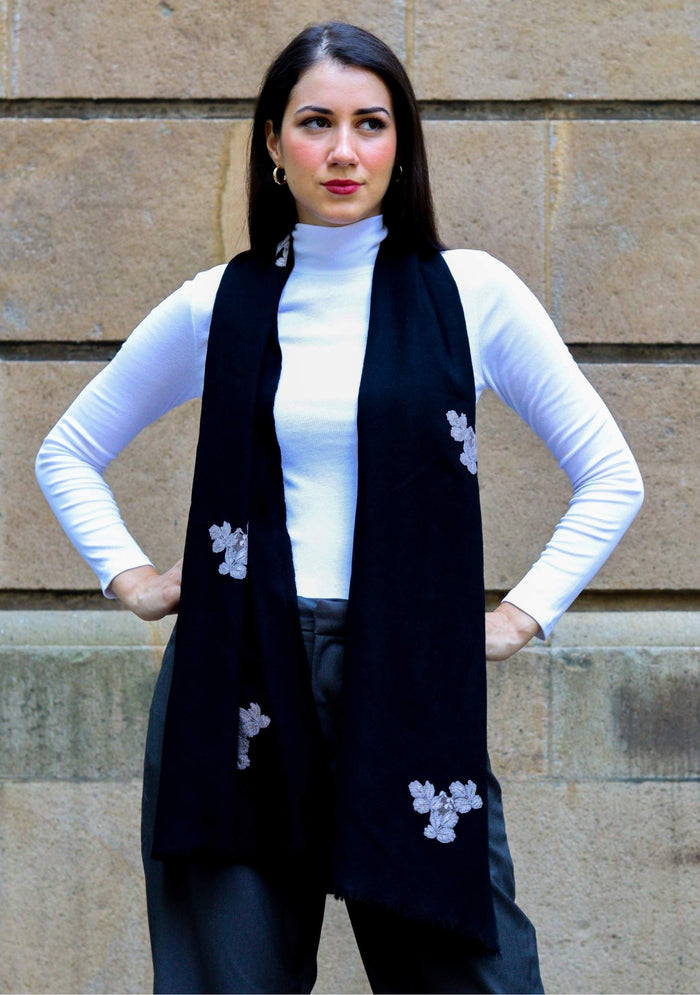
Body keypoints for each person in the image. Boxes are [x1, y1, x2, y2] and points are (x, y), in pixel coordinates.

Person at [36, 20, 643, 995]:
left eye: (371, 122)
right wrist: (134, 578)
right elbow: (67, 448)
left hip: (401, 671)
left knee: (470, 969)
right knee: (228, 980)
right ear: (273, 142)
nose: (345, 150)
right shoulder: (216, 303)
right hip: (235, 673)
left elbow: (612, 472)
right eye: (317, 122)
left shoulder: (467, 293)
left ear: (401, 140)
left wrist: (517, 616)